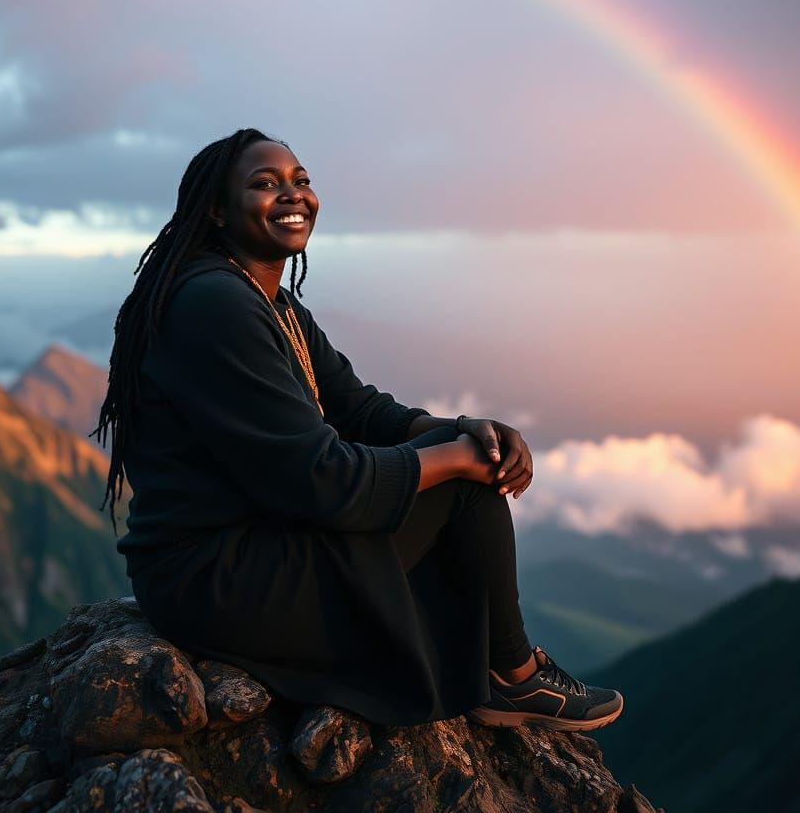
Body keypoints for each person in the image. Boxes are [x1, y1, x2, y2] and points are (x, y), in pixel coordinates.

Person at [92, 127, 624, 731]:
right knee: (462, 486)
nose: (293, 195)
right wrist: (457, 461)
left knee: (454, 461)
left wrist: (464, 429)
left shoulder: (272, 304)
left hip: (246, 548)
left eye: (302, 181)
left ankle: (493, 671)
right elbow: (324, 480)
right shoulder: (216, 304)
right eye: (265, 184)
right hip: (218, 579)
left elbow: (360, 409)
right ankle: (514, 678)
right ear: (215, 209)